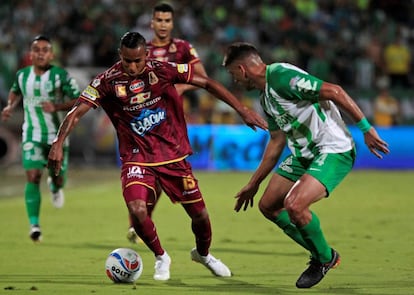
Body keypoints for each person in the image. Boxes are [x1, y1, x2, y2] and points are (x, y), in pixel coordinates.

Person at [48, 32, 267, 281]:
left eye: (138, 61)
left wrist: (243, 109)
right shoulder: (106, 81)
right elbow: (77, 111)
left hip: (172, 156)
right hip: (136, 157)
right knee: (137, 208)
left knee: (200, 215)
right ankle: (161, 256)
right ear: (121, 56)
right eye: (127, 61)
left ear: (146, 55)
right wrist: (58, 141)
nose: (132, 66)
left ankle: (204, 255)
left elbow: (205, 82)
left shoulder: (162, 70)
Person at [222, 42, 389, 288]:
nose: (233, 80)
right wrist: (253, 184)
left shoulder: (281, 77)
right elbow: (277, 142)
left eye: (232, 74)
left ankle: (322, 259)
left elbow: (334, 91)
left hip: (333, 148)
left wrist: (366, 128)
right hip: (304, 153)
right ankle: (324, 253)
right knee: (268, 206)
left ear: (242, 69)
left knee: (295, 205)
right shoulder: (266, 98)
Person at [126, 2, 209, 244]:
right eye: (159, 20)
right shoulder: (142, 50)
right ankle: (139, 222)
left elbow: (202, 77)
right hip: (144, 121)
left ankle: (141, 221)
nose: (163, 25)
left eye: (167, 20)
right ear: (151, 23)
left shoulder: (183, 47)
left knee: (163, 176)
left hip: (171, 123)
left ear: (172, 23)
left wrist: (175, 89)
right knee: (148, 174)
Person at [1, 35, 80, 242]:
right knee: (33, 176)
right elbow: (15, 92)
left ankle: (55, 186)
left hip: (57, 137)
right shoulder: (22, 75)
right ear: (31, 54)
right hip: (32, 135)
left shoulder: (60, 76)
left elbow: (78, 99)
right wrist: (10, 106)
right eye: (37, 49)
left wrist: (57, 106)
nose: (41, 53)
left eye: (45, 50)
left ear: (51, 54)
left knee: (58, 177)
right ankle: (34, 225)